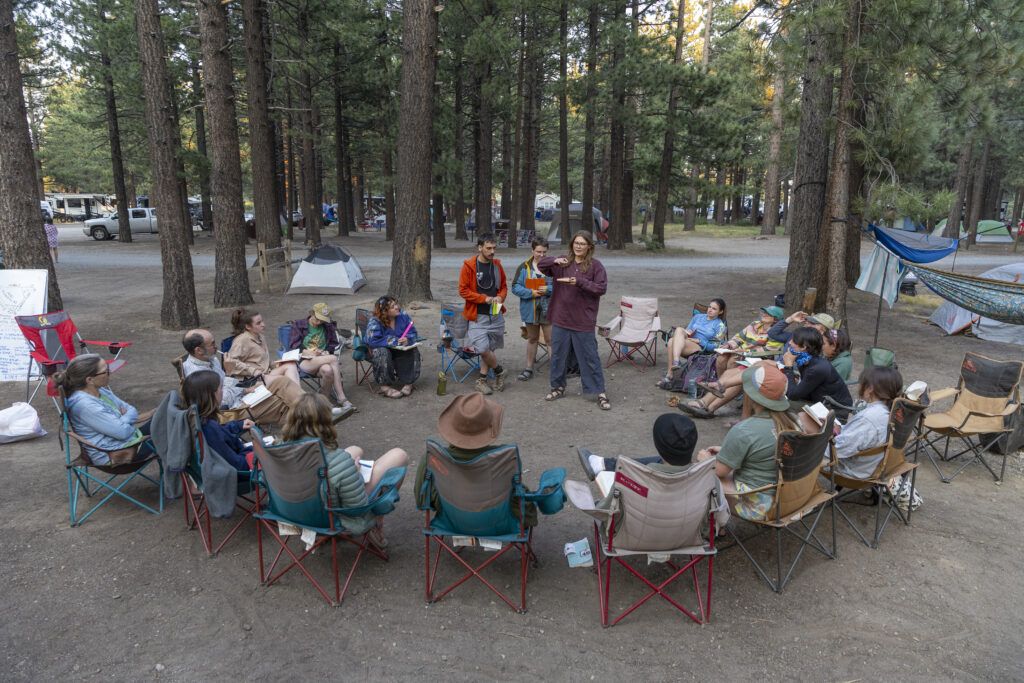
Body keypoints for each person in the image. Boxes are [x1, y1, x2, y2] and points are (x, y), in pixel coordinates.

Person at [282, 394, 408, 547]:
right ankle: (377, 525)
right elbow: (357, 508)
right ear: (325, 421)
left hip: (295, 512)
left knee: (355, 450)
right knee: (399, 456)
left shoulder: (278, 451)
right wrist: (355, 473)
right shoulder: (338, 460)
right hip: (332, 516)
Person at [414, 393, 538, 525]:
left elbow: (422, 500)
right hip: (501, 523)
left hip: (452, 521)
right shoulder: (505, 458)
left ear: (452, 425)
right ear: (490, 426)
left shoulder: (433, 458)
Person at [696, 364, 799, 521]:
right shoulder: (793, 422)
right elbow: (765, 449)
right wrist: (727, 451)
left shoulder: (744, 430)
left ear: (750, 394)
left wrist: (704, 460)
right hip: (792, 497)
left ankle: (714, 529)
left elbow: (719, 471)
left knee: (701, 472)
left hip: (761, 505)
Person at [181, 328, 322, 423]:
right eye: (212, 344)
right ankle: (317, 419)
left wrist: (245, 389)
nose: (216, 347)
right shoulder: (196, 374)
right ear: (198, 350)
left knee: (282, 382)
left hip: (240, 396)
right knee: (283, 403)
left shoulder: (211, 358)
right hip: (230, 412)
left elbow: (224, 384)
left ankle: (314, 414)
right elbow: (222, 402)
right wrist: (231, 374)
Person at [536, 230, 611, 410]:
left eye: (582, 244)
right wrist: (554, 260)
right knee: (558, 356)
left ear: (589, 247)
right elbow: (541, 266)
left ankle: (599, 391)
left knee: (590, 357)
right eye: (576, 243)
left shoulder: (596, 266)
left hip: (583, 320)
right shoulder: (563, 261)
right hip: (561, 318)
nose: (578, 246)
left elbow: (600, 288)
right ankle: (557, 387)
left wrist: (579, 281)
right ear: (572, 245)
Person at [54, 354, 155, 465]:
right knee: (171, 424)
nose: (109, 373)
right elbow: (123, 432)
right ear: (90, 380)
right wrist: (123, 421)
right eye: (105, 371)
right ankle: (173, 477)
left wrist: (121, 421)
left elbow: (131, 410)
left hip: (129, 441)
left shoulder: (100, 391)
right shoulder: (85, 405)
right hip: (117, 454)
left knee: (166, 412)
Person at [458, 233, 508, 395]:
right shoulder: (469, 266)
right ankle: (500, 371)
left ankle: (482, 380)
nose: (492, 251)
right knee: (482, 348)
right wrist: (483, 299)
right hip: (477, 316)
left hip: (495, 315)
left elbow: (504, 287)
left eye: (494, 248)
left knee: (490, 348)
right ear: (480, 248)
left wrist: (501, 296)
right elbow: (463, 290)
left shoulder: (497, 265)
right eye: (488, 248)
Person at [576, 413, 699, 478]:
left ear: (658, 445)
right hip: (689, 521)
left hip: (642, 522)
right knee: (667, 463)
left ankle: (605, 465)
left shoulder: (642, 478)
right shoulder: (705, 476)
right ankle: (605, 464)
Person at [286, 303, 356, 415]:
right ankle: (341, 397)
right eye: (318, 319)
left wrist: (326, 351)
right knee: (333, 359)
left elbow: (333, 344)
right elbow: (293, 346)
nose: (320, 323)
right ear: (312, 313)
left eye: (322, 321)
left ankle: (323, 403)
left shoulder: (328, 326)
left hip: (323, 359)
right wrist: (306, 351)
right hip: (305, 361)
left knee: (328, 371)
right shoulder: (299, 325)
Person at [180, 370, 254, 472]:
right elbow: (238, 465)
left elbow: (221, 432)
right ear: (211, 395)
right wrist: (257, 452)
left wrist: (238, 425)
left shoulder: (198, 419)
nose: (223, 391)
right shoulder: (209, 428)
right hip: (240, 475)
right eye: (220, 388)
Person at [781, 327, 853, 416]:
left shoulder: (817, 368)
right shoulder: (807, 361)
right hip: (818, 400)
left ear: (804, 347)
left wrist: (788, 367)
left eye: (793, 341)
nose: (790, 342)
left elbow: (793, 396)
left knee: (782, 404)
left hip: (833, 410)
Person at [510, 237, 553, 381]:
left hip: (549, 309)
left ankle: (555, 369)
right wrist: (530, 293)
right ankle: (528, 368)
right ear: (532, 250)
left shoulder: (553, 266)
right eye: (538, 252)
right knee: (532, 339)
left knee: (550, 340)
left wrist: (548, 289)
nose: (541, 255)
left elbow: (560, 286)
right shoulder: (523, 267)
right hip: (530, 309)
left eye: (544, 252)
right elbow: (515, 287)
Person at [225, 308, 301, 387]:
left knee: (291, 365)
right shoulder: (241, 341)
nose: (263, 325)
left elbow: (263, 361)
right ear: (248, 326)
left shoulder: (260, 336)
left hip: (265, 374)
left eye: (262, 321)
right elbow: (231, 362)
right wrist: (253, 371)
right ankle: (300, 397)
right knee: (285, 380)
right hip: (252, 380)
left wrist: (278, 364)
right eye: (258, 323)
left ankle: (299, 396)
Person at [365, 295, 421, 398]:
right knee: (382, 352)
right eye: (392, 306)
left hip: (399, 350)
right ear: (385, 312)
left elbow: (413, 333)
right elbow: (372, 341)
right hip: (380, 353)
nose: (397, 307)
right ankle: (385, 387)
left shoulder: (403, 316)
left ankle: (409, 383)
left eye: (396, 304)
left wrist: (407, 339)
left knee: (413, 349)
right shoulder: (375, 321)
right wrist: (393, 341)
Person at [663, 299, 728, 384]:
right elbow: (687, 330)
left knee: (671, 341)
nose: (710, 310)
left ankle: (670, 373)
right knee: (678, 330)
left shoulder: (720, 326)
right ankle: (676, 362)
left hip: (700, 347)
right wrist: (689, 333)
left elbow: (717, 345)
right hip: (687, 341)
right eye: (709, 307)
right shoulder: (698, 317)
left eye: (714, 309)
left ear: (720, 312)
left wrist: (700, 341)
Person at [714, 305, 784, 377]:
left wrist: (745, 352)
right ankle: (720, 382)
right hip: (739, 352)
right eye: (764, 312)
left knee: (733, 361)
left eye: (768, 314)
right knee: (721, 358)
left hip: (757, 358)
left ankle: (727, 384)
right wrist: (729, 345)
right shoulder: (755, 324)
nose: (764, 314)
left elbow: (768, 351)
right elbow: (740, 337)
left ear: (776, 319)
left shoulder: (777, 334)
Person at [767, 310, 838, 346]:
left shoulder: (819, 346)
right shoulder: (795, 335)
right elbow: (772, 333)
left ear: (823, 330)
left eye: (812, 323)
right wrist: (790, 319)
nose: (807, 323)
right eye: (808, 320)